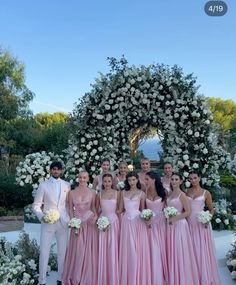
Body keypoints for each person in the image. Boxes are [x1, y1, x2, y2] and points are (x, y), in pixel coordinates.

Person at [33, 161, 70, 285]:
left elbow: (69, 205)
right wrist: (42, 217)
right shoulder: (43, 185)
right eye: (54, 169)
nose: (56, 171)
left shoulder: (67, 185)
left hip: (63, 223)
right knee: (44, 252)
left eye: (58, 169)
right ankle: (42, 280)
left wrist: (70, 218)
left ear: (61, 171)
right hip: (48, 223)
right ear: (50, 170)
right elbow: (36, 205)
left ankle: (61, 279)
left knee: (62, 253)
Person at [62, 171, 98, 285]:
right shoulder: (71, 193)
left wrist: (95, 217)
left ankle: (86, 277)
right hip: (77, 224)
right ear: (78, 178)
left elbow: (93, 208)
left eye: (84, 177)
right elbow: (69, 208)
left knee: (88, 251)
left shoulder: (93, 192)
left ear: (88, 179)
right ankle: (75, 276)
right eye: (80, 177)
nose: (82, 180)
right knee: (77, 250)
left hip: (88, 224)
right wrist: (73, 222)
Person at [187, 171, 221, 285]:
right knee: (191, 250)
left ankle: (204, 277)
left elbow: (212, 209)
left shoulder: (206, 193)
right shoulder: (187, 192)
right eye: (190, 179)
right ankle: (193, 276)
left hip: (202, 224)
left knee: (201, 250)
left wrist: (208, 218)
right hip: (190, 224)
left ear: (199, 178)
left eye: (195, 178)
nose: (193, 180)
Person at [166, 173, 199, 285]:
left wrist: (175, 218)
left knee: (179, 250)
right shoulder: (169, 194)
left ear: (180, 181)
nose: (174, 181)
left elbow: (188, 211)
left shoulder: (182, 195)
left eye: (176, 179)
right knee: (172, 250)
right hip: (170, 226)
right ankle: (174, 276)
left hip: (179, 225)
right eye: (172, 179)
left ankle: (182, 278)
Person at [119, 171, 151, 285]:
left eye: (133, 180)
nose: (131, 182)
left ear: (137, 180)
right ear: (127, 181)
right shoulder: (122, 193)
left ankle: (137, 275)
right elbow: (120, 210)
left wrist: (147, 219)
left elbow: (142, 210)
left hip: (138, 222)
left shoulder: (142, 193)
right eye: (129, 180)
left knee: (137, 248)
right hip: (126, 221)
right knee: (128, 248)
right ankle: (128, 275)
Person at [145, 171, 168, 285]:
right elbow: (142, 209)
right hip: (149, 224)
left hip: (161, 224)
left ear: (154, 179)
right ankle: (153, 274)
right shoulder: (144, 192)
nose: (145, 181)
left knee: (161, 248)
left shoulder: (163, 192)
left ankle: (163, 275)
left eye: (147, 179)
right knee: (151, 249)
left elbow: (168, 208)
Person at [97, 173, 120, 285]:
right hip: (102, 222)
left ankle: (113, 276)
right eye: (105, 181)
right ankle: (103, 276)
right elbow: (96, 210)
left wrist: (113, 220)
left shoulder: (117, 193)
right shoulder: (99, 194)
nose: (107, 183)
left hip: (114, 222)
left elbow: (120, 210)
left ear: (112, 182)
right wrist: (100, 221)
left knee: (113, 248)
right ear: (102, 182)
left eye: (109, 181)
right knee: (103, 248)